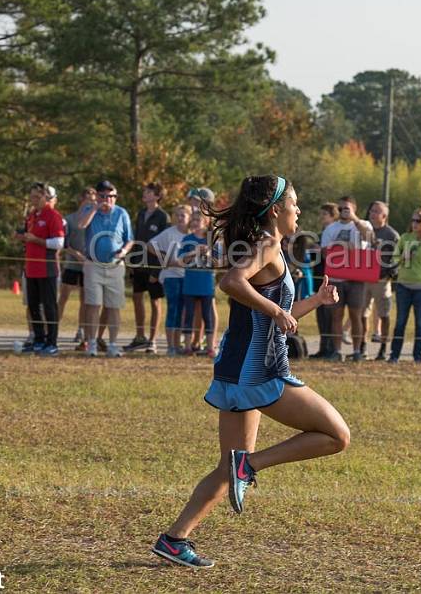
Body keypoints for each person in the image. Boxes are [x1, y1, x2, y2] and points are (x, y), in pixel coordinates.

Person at [151, 175, 348, 569]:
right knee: (336, 436)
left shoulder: (267, 245)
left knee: (227, 466)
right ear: (275, 209)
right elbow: (231, 282)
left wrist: (314, 301)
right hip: (259, 371)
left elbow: (278, 318)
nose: (298, 210)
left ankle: (174, 539)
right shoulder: (267, 243)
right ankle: (251, 465)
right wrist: (275, 309)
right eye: (294, 203)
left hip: (238, 368)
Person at [79, 180, 133, 357]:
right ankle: (92, 343)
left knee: (114, 306)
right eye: (103, 196)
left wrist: (124, 251)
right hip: (93, 264)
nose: (107, 199)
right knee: (93, 305)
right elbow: (81, 225)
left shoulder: (122, 213)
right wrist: (94, 208)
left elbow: (129, 238)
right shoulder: (89, 210)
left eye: (111, 196)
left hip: (115, 266)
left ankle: (112, 344)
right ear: (97, 196)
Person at [15, 183, 65, 356]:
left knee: (50, 306)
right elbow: (30, 237)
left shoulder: (53, 215)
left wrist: (36, 240)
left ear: (46, 197)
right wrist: (22, 237)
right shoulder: (32, 216)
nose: (33, 200)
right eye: (32, 197)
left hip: (47, 268)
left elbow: (59, 242)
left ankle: (52, 342)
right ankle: (38, 339)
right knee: (33, 306)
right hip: (31, 268)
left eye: (37, 197)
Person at [321, 195, 372, 361]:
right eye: (341, 208)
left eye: (347, 208)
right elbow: (323, 252)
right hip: (336, 277)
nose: (343, 211)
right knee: (336, 315)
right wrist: (341, 247)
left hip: (357, 277)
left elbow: (370, 238)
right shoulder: (331, 229)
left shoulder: (362, 225)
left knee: (356, 315)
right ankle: (337, 351)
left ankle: (357, 351)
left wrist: (354, 219)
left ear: (354, 208)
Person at [388, 208, 421, 363]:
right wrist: (403, 257)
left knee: (420, 323)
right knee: (400, 322)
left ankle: (418, 356)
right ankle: (394, 355)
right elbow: (393, 259)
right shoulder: (405, 238)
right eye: (413, 220)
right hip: (403, 286)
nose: (414, 223)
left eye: (418, 221)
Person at [127, 182, 168, 353]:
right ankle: (140, 337)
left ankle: (152, 340)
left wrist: (157, 270)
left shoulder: (162, 216)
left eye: (149, 192)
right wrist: (131, 262)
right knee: (137, 298)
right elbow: (136, 239)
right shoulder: (141, 213)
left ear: (157, 196)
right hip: (138, 263)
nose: (145, 193)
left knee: (155, 301)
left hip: (153, 266)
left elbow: (165, 245)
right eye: (145, 191)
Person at [149, 204, 192, 355]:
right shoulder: (169, 233)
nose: (180, 218)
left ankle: (178, 344)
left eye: (183, 215)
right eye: (178, 215)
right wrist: (163, 259)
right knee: (173, 309)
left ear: (189, 218)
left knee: (183, 311)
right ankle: (170, 346)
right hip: (171, 276)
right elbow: (150, 245)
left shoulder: (192, 234)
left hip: (187, 276)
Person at [59, 187, 96, 350]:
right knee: (64, 296)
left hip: (88, 265)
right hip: (72, 263)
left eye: (93, 197)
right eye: (87, 196)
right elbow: (65, 244)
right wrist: (77, 255)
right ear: (81, 199)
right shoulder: (70, 219)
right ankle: (53, 328)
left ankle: (81, 330)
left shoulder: (95, 219)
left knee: (85, 299)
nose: (90, 199)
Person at [362, 200, 400, 361]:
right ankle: (361, 346)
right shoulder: (363, 231)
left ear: (384, 216)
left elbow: (397, 259)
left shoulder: (391, 235)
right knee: (362, 314)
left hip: (382, 280)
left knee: (384, 314)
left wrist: (388, 273)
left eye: (377, 211)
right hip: (363, 278)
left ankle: (383, 348)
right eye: (371, 210)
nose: (372, 213)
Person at [179, 209, 218, 357]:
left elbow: (220, 262)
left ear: (206, 222)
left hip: (207, 284)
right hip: (190, 283)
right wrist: (193, 252)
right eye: (193, 220)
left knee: (207, 316)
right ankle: (187, 347)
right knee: (188, 315)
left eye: (198, 220)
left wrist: (208, 255)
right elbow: (180, 260)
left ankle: (209, 348)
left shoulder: (212, 240)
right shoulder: (187, 239)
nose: (195, 223)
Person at [186, 187, 218, 351]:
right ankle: (195, 341)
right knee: (194, 310)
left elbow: (218, 254)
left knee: (209, 308)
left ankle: (210, 343)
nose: (193, 204)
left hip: (207, 275)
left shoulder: (213, 225)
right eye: (192, 201)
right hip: (192, 273)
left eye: (197, 201)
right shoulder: (192, 220)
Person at [311, 203, 339, 359]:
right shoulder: (321, 234)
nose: (321, 217)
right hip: (319, 275)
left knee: (329, 314)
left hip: (330, 276)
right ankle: (323, 347)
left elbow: (334, 254)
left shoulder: (335, 232)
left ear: (333, 215)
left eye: (325, 214)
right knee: (320, 313)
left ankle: (330, 347)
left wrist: (320, 250)